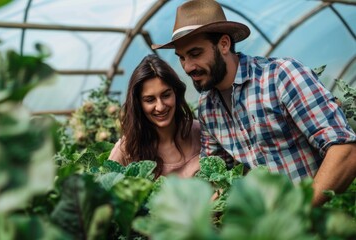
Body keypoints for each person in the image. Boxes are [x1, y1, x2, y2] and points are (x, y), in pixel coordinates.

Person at [152, 0, 356, 206]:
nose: (187, 67)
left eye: (195, 54)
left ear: (224, 44)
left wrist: (298, 213)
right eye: (182, 58)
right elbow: (216, 175)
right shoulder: (207, 107)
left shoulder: (281, 76)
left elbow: (345, 151)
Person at [109, 54, 201, 178]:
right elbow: (103, 190)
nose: (160, 107)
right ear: (138, 104)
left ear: (176, 93)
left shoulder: (200, 132)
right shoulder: (127, 148)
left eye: (166, 95)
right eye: (150, 100)